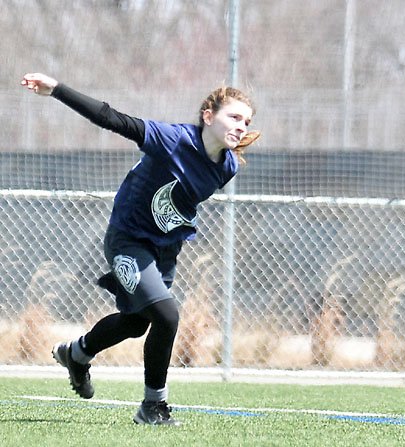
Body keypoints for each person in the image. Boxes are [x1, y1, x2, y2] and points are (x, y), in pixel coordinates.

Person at [20, 73, 260, 426]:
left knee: (136, 323)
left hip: (165, 250)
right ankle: (153, 407)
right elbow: (111, 118)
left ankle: (77, 353)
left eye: (247, 122)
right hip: (128, 241)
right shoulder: (172, 139)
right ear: (208, 116)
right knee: (167, 316)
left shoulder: (227, 167)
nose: (241, 127)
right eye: (234, 117)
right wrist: (57, 90)